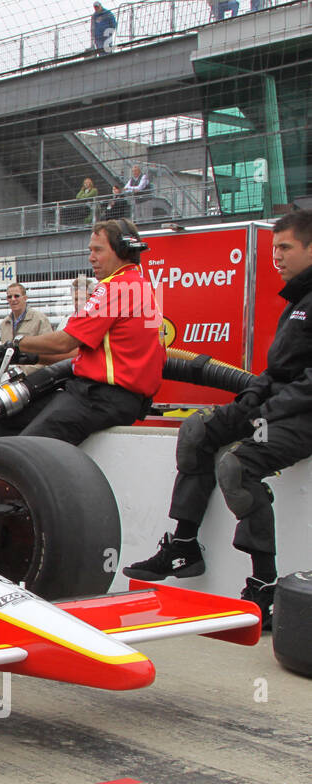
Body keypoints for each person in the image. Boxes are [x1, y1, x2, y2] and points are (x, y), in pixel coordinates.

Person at [123, 210, 312, 628]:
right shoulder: (297, 299)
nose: (276, 256)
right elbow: (281, 370)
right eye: (274, 247)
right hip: (275, 405)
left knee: (237, 464)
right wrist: (254, 396)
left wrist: (268, 410)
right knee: (198, 430)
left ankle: (264, 586)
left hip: (302, 417)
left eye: (285, 247)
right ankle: (185, 545)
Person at [0, 219, 164, 445]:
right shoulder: (145, 287)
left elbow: (65, 342)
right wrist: (34, 356)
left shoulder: (115, 287)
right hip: (108, 396)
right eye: (90, 250)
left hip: (101, 398)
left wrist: (18, 344)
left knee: (25, 450)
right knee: (6, 418)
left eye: (98, 250)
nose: (91, 257)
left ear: (122, 251)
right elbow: (82, 355)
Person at [0, 283, 54, 375]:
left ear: (25, 298)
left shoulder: (39, 319)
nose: (13, 299)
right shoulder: (4, 324)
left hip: (34, 376)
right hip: (10, 376)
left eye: (16, 296)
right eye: (9, 297)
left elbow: (49, 349)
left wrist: (24, 371)